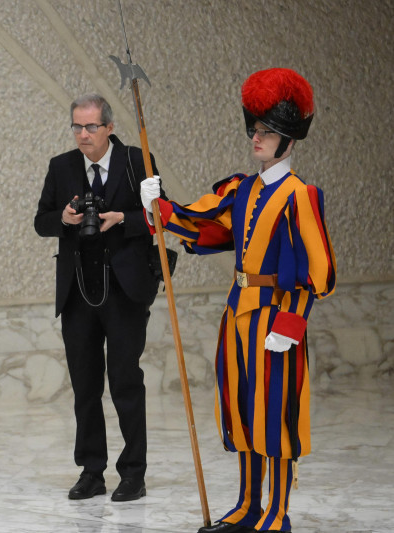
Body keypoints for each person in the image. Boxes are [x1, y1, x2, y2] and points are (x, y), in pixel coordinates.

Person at [140, 68, 336, 533]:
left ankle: (276, 513)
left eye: (267, 131)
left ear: (289, 139)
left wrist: (290, 326)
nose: (257, 137)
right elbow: (203, 224)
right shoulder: (242, 188)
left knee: (277, 417)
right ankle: (249, 505)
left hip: (276, 321)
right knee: (243, 412)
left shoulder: (301, 195)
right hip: (238, 315)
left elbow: (320, 272)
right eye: (256, 128)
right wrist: (159, 206)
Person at [34, 94, 163, 502]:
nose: (83, 135)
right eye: (77, 127)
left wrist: (121, 218)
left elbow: (161, 215)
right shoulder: (62, 166)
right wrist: (65, 219)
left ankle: (133, 474)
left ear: (109, 126)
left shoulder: (136, 160)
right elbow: (41, 221)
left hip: (124, 291)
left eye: (90, 127)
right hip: (78, 293)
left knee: (126, 381)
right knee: (85, 386)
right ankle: (91, 471)